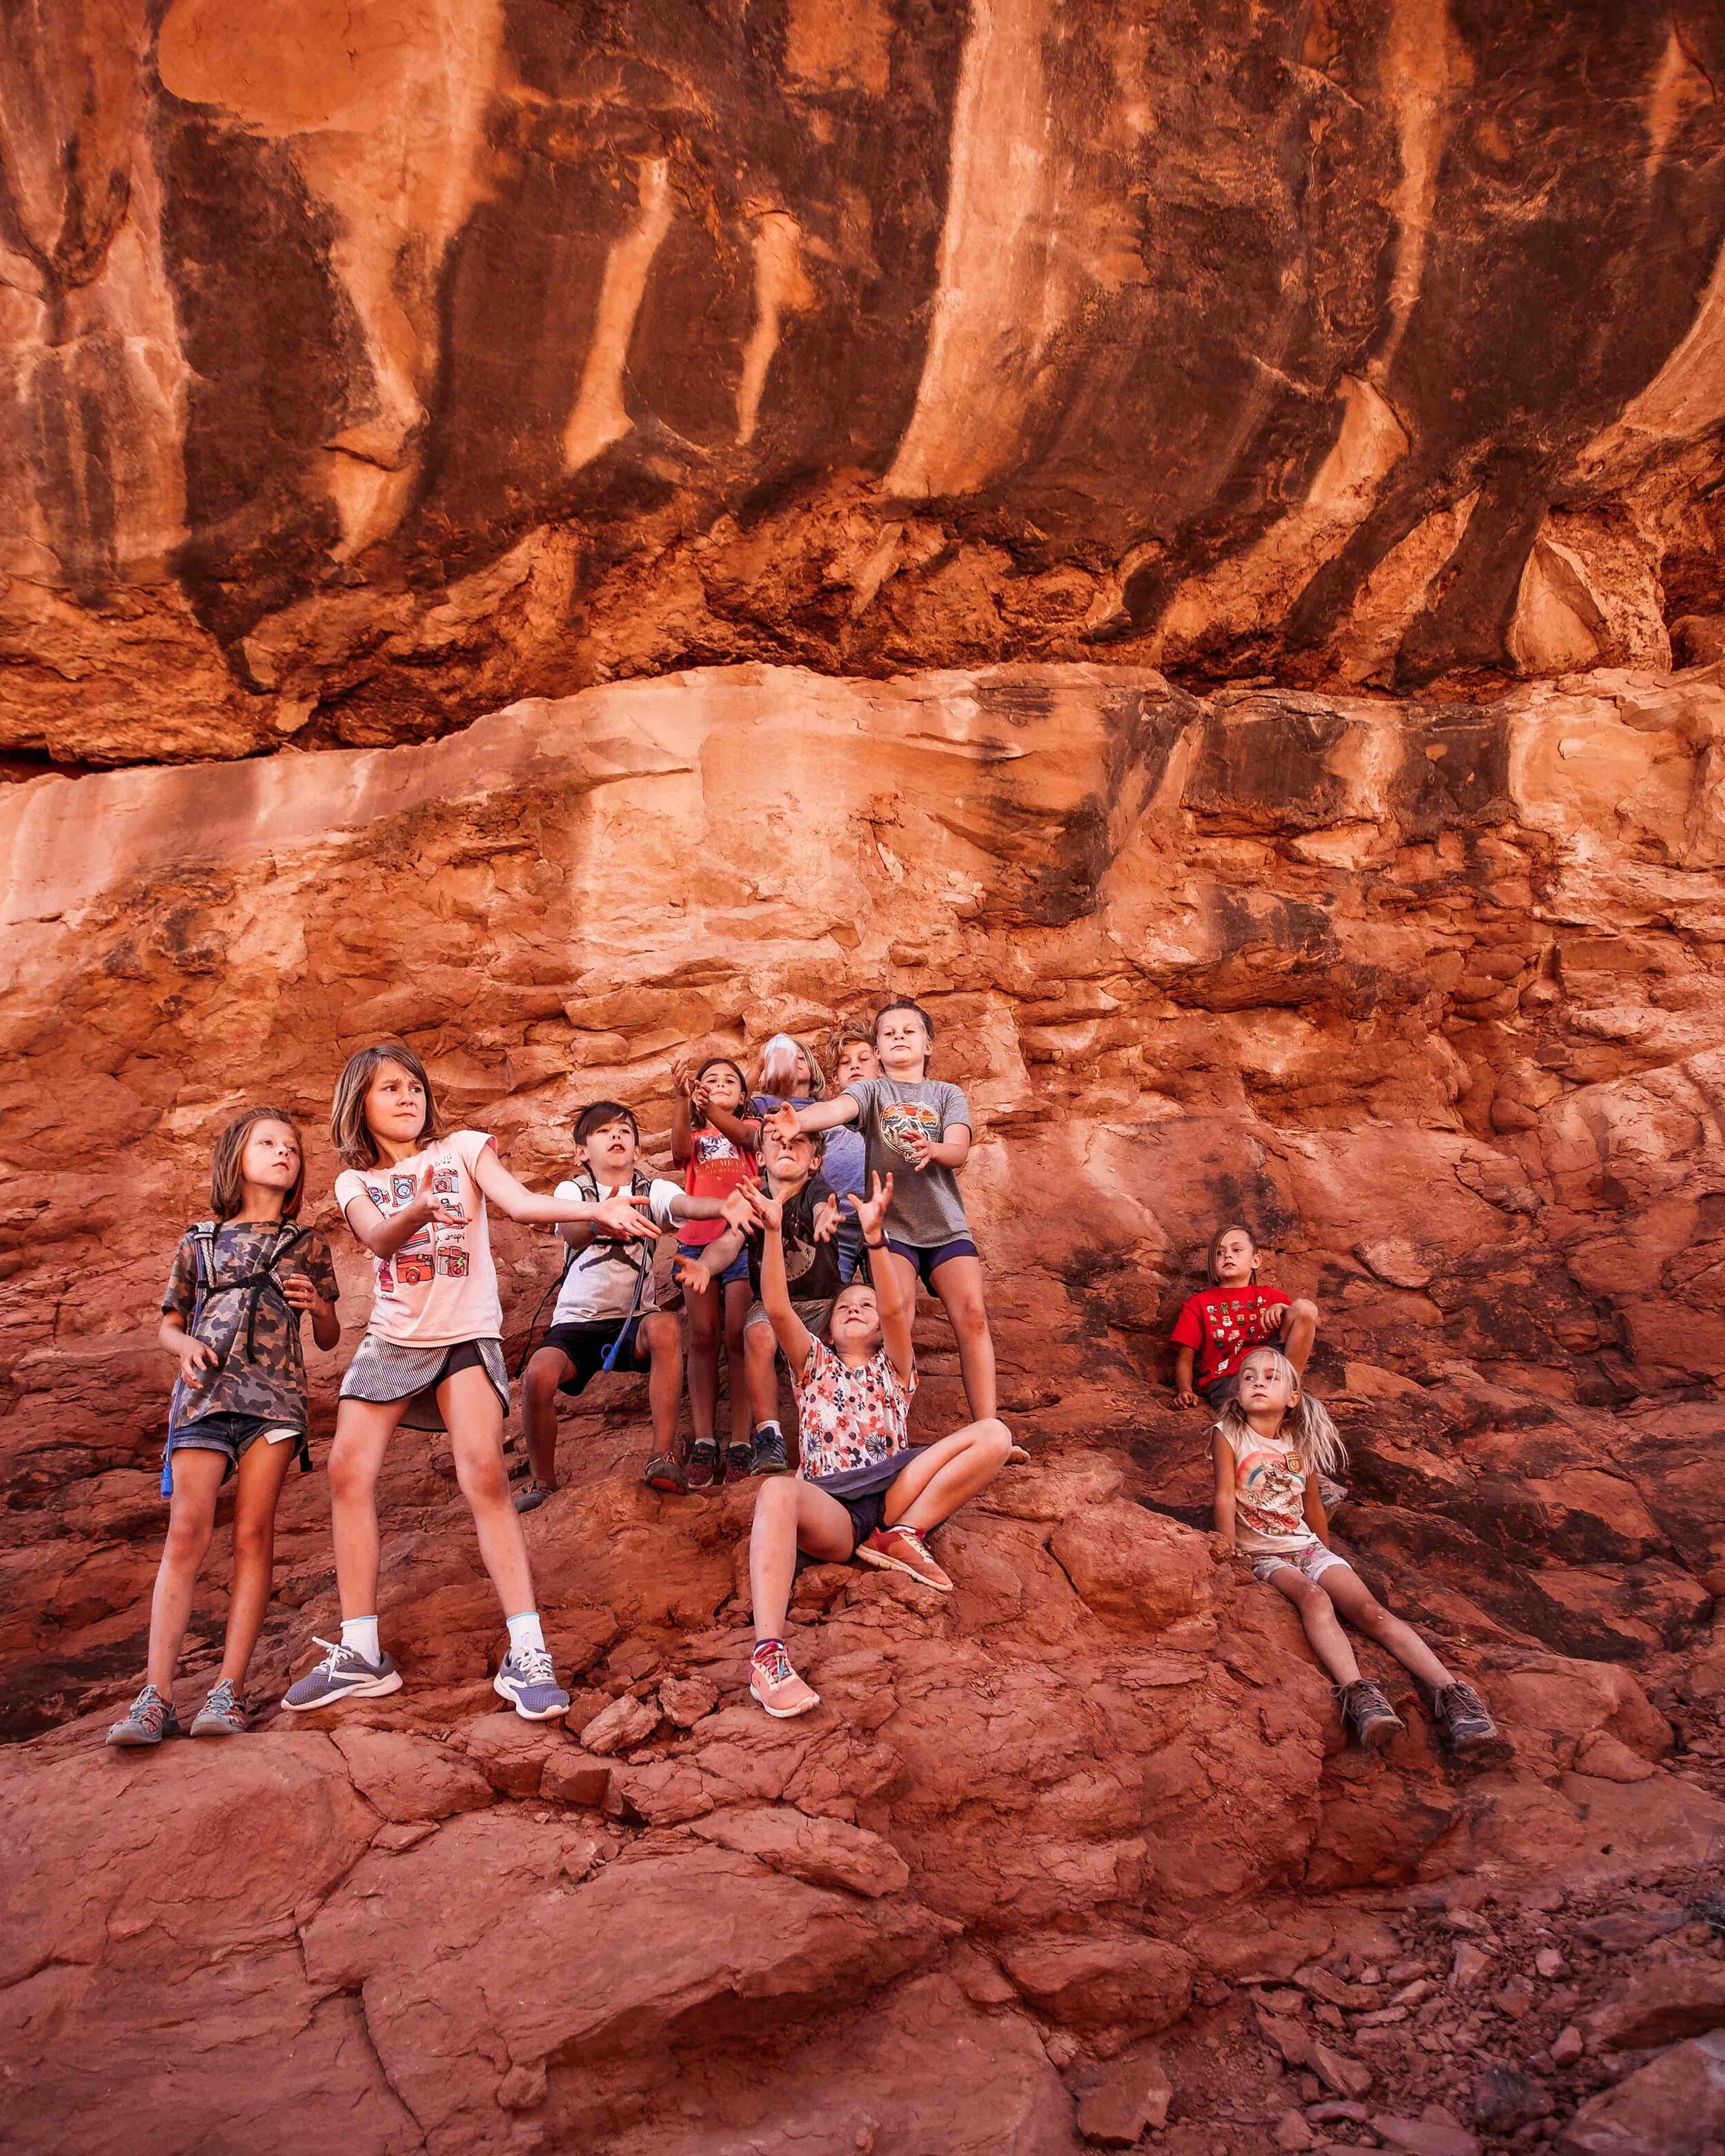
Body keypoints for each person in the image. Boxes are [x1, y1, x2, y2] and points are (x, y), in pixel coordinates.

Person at [281, 1042, 652, 1721]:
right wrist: (418, 1212)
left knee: (483, 1471)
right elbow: (378, 1238)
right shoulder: (354, 1180)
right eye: (388, 1087)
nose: (406, 1097)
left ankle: (528, 1648)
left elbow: (518, 1203)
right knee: (345, 1470)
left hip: (466, 1336)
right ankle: (361, 1650)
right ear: (358, 1104)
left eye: (414, 1086)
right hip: (392, 1337)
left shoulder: (461, 1148)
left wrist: (596, 1212)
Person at [108, 1109, 342, 1747]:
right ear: (236, 1156)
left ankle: (228, 1689)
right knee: (186, 1530)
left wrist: (317, 1304)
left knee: (251, 1532)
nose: (283, 1153)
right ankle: (156, 1695)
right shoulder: (200, 1241)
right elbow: (168, 1322)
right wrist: (181, 1346)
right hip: (204, 1396)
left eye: (292, 1147)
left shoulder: (307, 1242)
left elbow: (328, 1334)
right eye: (268, 1143)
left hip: (275, 1399)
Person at [745, 1171, 1012, 1719]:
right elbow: (776, 1310)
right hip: (833, 1506)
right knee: (775, 1491)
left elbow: (895, 1311)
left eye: (864, 1304)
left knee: (996, 1434)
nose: (855, 1309)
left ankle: (902, 1534)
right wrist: (772, 1231)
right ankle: (768, 1657)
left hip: (894, 1491)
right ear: (830, 1326)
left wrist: (875, 1239)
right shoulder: (813, 1364)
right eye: (845, 1305)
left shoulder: (896, 1367)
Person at [1212, 1346, 1501, 1755]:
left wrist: (1325, 1555)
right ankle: (1361, 1696)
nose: (1259, 1382)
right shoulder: (1230, 1432)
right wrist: (1227, 1554)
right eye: (1249, 1376)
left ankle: (1453, 1693)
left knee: (1371, 1612)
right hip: (1264, 1554)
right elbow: (1225, 1496)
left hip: (1306, 1546)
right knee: (1314, 1599)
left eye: (1271, 1377)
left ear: (1293, 1398)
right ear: (1238, 1392)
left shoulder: (1299, 1442)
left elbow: (1312, 1504)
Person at [765, 1000, 1007, 1450]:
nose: (898, 1036)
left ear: (928, 1043)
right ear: (877, 1046)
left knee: (972, 1316)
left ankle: (989, 1432)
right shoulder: (873, 1093)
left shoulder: (945, 1094)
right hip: (894, 1229)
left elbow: (959, 1148)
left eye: (909, 1031)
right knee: (898, 1318)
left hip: (945, 1225)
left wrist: (936, 1150)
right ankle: (891, 1429)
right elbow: (835, 1109)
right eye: (889, 1031)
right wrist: (800, 1119)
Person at [514, 1100, 730, 1511]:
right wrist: (600, 1221)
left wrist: (723, 1206)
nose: (616, 1136)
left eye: (625, 1132)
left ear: (637, 1151)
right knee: (539, 1376)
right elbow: (574, 1232)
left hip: (633, 1321)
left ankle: (662, 1457)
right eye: (603, 1131)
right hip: (577, 1324)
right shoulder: (574, 1191)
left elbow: (685, 1206)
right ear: (582, 1152)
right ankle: (542, 1480)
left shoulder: (651, 1190)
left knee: (666, 1326)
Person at [674, 1118, 841, 1477]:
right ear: (760, 1159)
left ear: (815, 1162)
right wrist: (705, 1267)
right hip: (771, 1306)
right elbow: (729, 1242)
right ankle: (769, 1436)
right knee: (757, 1333)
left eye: (798, 1142)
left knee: (845, 1330)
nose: (787, 1146)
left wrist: (827, 1217)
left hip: (821, 1303)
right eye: (776, 1142)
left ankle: (841, 1428)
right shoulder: (755, 1200)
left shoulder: (815, 1190)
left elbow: (821, 1209)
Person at [671, 1054, 760, 1485]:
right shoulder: (697, 1131)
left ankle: (742, 1440)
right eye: (711, 1079)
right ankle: (705, 1439)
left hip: (741, 1240)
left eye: (730, 1081)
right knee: (703, 1338)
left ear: (744, 1095)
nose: (721, 1084)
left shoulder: (751, 1131)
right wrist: (681, 1100)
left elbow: (741, 1131)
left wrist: (710, 1105)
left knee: (738, 1337)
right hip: (695, 1239)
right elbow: (678, 1151)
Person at [1172, 1223, 1318, 1412]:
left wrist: (1282, 1308)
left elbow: (1310, 1318)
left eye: (1237, 1250)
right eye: (1219, 1253)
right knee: (1247, 1416)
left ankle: (1289, 1388)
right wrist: (1185, 1390)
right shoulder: (1198, 1304)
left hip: (1272, 1371)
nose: (1228, 1256)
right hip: (1229, 1379)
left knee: (1303, 1307)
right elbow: (1185, 1357)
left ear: (1256, 1260)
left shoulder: (1271, 1297)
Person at [824, 1026, 878, 1283]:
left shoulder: (890, 1115)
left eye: (864, 1059)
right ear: (834, 1078)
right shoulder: (824, 1119)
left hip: (884, 1222)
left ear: (880, 1065)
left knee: (887, 1298)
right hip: (838, 1224)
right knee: (832, 1295)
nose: (855, 1066)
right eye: (846, 1063)